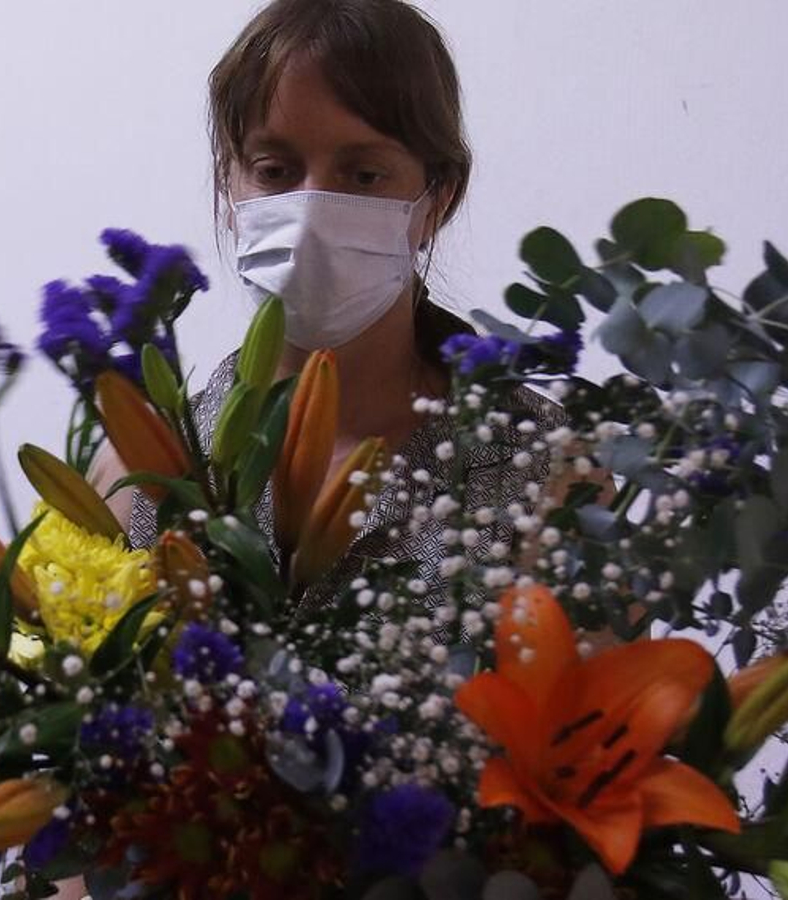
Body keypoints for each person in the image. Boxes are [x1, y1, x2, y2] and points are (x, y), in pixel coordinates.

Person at [92, 0, 577, 616]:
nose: (312, 213)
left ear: (439, 199)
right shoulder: (140, 470)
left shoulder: (544, 476)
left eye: (364, 175)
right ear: (228, 184)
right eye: (274, 170)